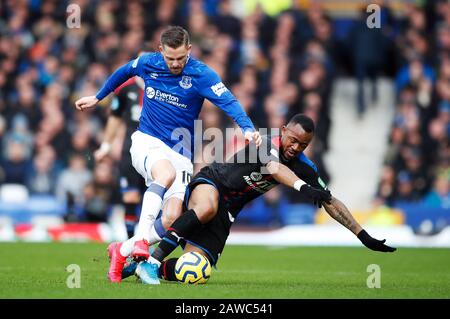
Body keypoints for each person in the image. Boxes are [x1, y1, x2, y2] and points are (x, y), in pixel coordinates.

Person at [75, 26, 262, 282]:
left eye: (180, 58)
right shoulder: (148, 63)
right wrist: (98, 97)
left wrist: (248, 129)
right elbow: (123, 72)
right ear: (160, 50)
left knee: (173, 217)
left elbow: (228, 101)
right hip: (147, 141)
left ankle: (122, 249)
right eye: (170, 58)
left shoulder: (202, 74)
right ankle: (141, 243)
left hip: (182, 152)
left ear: (189, 50)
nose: (175, 64)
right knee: (165, 173)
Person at [131, 114, 396, 285]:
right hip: (212, 183)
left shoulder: (305, 167)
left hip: (229, 212)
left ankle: (135, 269)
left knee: (198, 269)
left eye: (302, 145)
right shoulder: (266, 141)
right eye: (293, 140)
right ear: (283, 131)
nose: (295, 147)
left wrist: (362, 235)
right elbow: (273, 168)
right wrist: (304, 188)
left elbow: (331, 201)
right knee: (207, 207)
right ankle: (153, 261)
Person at [93, 73, 147, 238]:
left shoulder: (164, 87)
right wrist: (106, 146)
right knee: (130, 196)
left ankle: (148, 244)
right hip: (129, 151)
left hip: (154, 152)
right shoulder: (126, 87)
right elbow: (115, 117)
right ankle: (131, 243)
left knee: (153, 200)